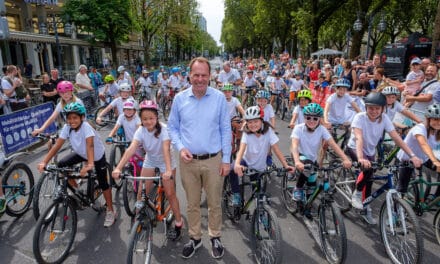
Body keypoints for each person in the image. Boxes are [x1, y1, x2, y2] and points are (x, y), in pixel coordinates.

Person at [168, 57, 231, 259]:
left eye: (204, 75)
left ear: (210, 76)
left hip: (214, 160)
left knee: (214, 202)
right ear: (190, 76)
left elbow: (226, 129)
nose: (200, 79)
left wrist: (226, 159)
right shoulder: (179, 99)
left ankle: (215, 236)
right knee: (192, 203)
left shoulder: (219, 98)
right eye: (196, 75)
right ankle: (195, 238)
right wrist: (180, 147)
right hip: (188, 161)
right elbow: (172, 128)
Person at [347, 93, 422, 224]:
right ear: (366, 108)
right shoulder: (360, 117)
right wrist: (360, 158)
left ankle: (366, 208)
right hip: (355, 148)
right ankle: (357, 193)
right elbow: (359, 138)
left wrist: (413, 155)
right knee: (367, 170)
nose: (374, 111)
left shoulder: (385, 118)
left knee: (369, 181)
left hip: (370, 150)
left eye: (377, 108)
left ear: (383, 109)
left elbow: (397, 138)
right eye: (371, 108)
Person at [37, 102, 116, 227]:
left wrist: (89, 164)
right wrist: (44, 161)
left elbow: (90, 145)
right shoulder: (67, 128)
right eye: (69, 118)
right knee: (61, 165)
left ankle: (111, 211)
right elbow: (57, 145)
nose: (71, 121)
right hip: (81, 153)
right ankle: (77, 191)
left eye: (75, 118)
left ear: (82, 117)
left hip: (96, 155)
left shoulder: (86, 127)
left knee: (103, 183)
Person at [112, 100, 183, 239]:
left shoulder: (164, 129)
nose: (148, 122)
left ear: (157, 117)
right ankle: (139, 217)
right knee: (141, 192)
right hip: (150, 160)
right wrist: (118, 168)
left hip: (165, 162)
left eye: (151, 118)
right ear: (141, 119)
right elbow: (131, 149)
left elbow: (166, 150)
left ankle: (179, 222)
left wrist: (168, 170)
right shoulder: (141, 130)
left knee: (170, 193)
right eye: (145, 119)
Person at [232, 106, 294, 205]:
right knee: (232, 169)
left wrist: (285, 165)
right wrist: (237, 164)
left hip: (259, 167)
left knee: (258, 195)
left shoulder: (268, 131)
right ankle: (236, 194)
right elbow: (241, 149)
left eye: (256, 121)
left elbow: (276, 149)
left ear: (262, 121)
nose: (252, 125)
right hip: (246, 161)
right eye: (250, 122)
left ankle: (259, 216)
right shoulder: (246, 133)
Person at [291, 103, 352, 200]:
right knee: (308, 168)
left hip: (312, 158)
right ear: (304, 117)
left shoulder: (322, 129)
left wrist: (345, 159)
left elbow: (333, 145)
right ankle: (298, 188)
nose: (311, 121)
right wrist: (297, 161)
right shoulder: (298, 128)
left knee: (312, 185)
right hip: (299, 155)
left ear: (320, 119)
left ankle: (306, 207)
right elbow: (294, 146)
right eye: (308, 118)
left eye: (315, 118)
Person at [396, 103, 440, 198]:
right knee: (401, 191)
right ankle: (397, 208)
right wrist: (435, 161)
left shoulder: (437, 131)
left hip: (424, 159)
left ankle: (436, 197)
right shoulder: (420, 128)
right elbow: (424, 144)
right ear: (428, 119)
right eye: (436, 119)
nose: (439, 122)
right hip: (408, 159)